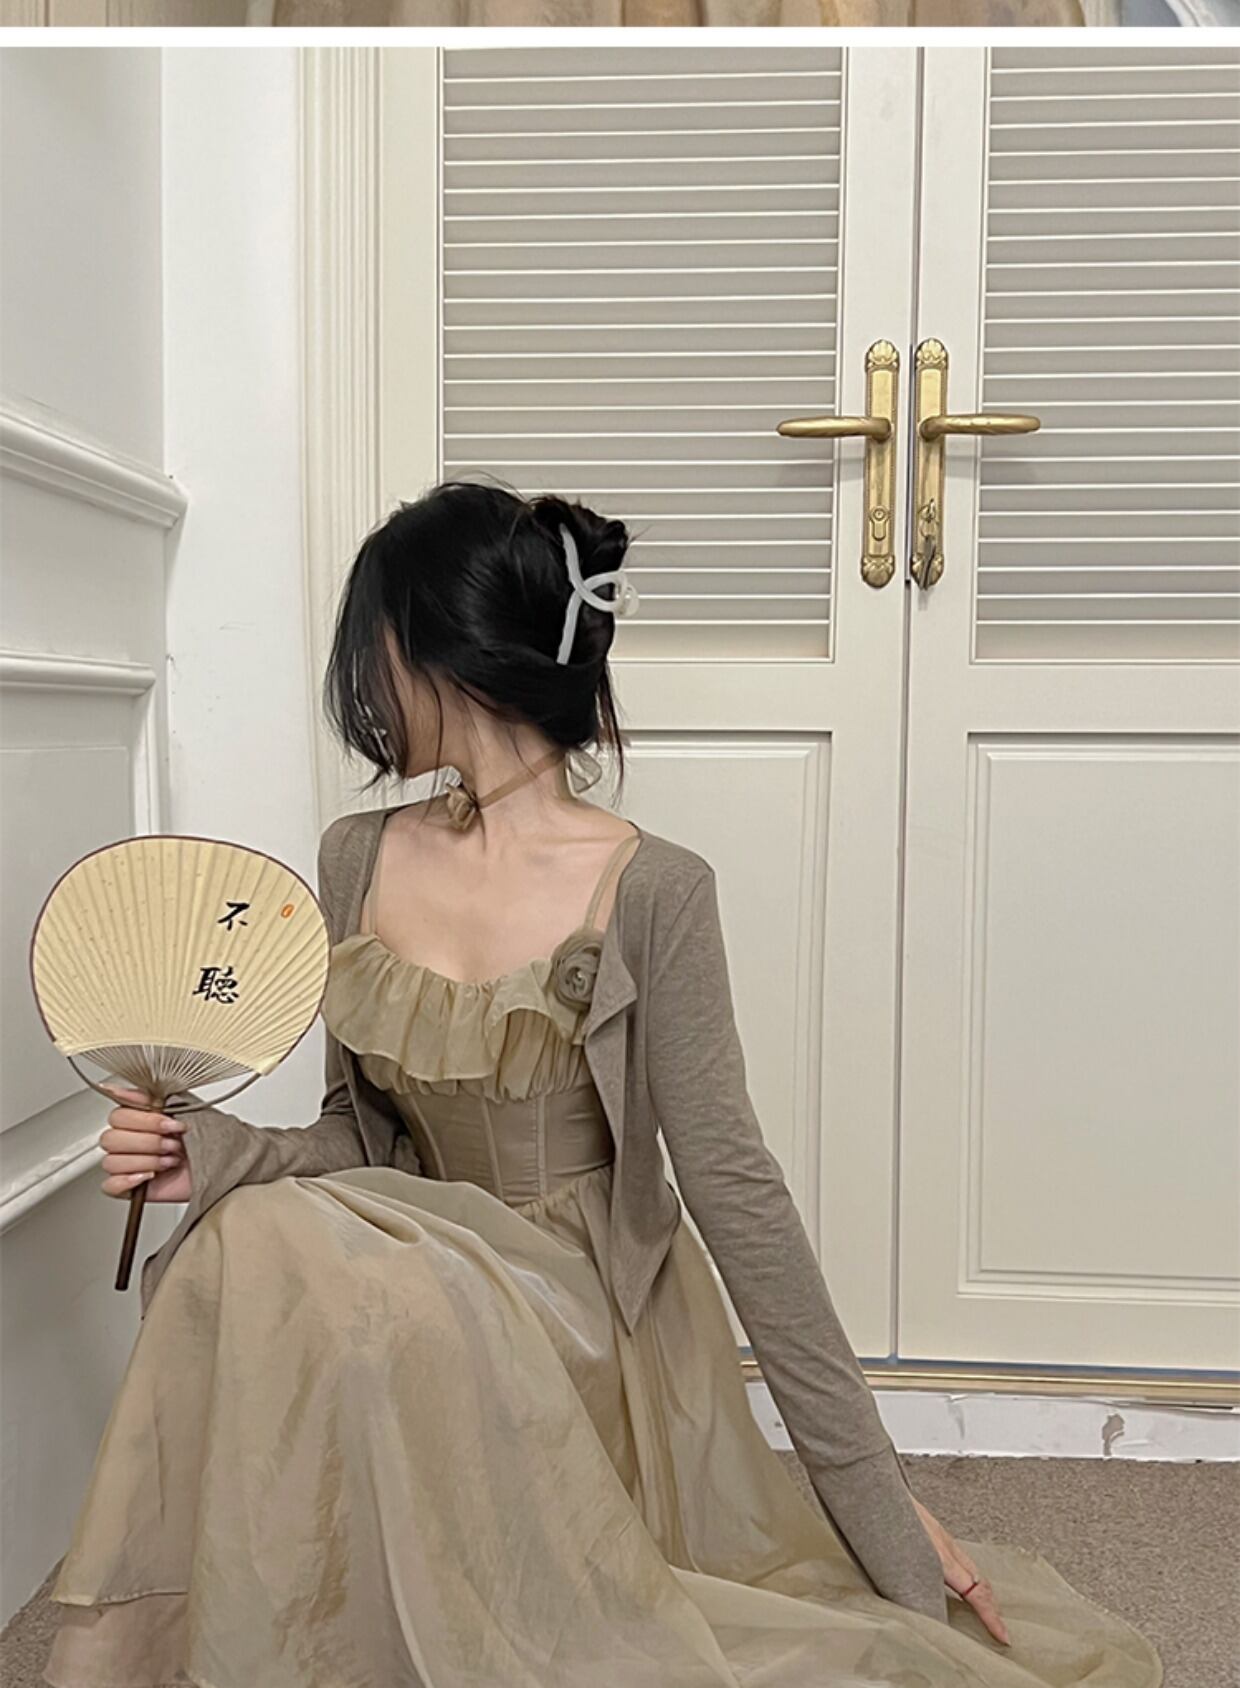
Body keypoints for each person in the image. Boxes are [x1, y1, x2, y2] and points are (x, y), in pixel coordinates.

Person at [44, 482, 1160, 1687]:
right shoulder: (355, 854)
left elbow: (735, 1190)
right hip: (413, 1267)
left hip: (575, 1303)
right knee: (246, 1237)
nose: (362, 684)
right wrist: (213, 1154)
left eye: (376, 646)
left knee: (332, 1279)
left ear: (445, 650)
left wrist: (878, 1504)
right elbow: (355, 1135)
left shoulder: (653, 888)